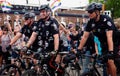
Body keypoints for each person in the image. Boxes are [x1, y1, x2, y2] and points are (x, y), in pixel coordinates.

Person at [77, 2, 117, 76]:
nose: (89, 14)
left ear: (97, 12)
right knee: (106, 63)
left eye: (91, 12)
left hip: (114, 42)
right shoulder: (90, 22)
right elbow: (85, 37)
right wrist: (79, 49)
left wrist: (111, 52)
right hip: (104, 44)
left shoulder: (106, 19)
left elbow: (109, 37)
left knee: (110, 61)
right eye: (88, 12)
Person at [26, 4, 60, 76]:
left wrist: (55, 51)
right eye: (41, 12)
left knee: (50, 70)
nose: (42, 13)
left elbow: (56, 37)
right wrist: (26, 46)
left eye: (44, 11)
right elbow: (33, 35)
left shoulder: (53, 22)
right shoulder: (39, 22)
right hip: (41, 49)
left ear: (48, 12)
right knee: (36, 65)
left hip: (51, 50)